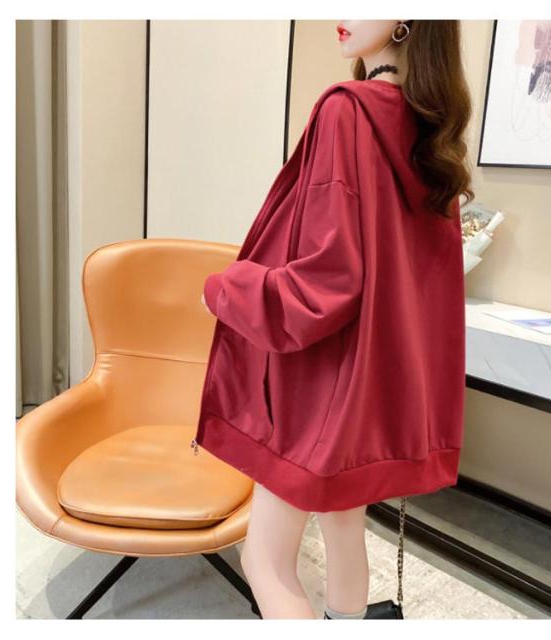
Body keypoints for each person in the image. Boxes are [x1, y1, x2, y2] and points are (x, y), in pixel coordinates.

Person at [195, 19, 473, 619]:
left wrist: (223, 289)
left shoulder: (347, 110)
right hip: (378, 387)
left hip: (322, 387)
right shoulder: (432, 129)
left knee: (265, 560)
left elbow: (326, 281)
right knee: (343, 529)